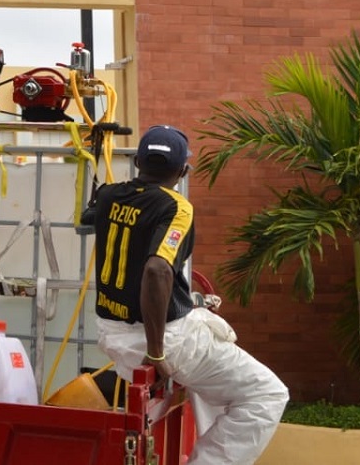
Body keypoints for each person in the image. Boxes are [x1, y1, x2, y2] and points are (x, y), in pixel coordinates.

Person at [84, 125, 288, 465]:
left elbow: (96, 218)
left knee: (211, 380)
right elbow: (156, 270)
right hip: (163, 339)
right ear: (183, 170)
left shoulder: (107, 196)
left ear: (138, 162)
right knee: (266, 393)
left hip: (112, 332)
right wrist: (157, 351)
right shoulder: (176, 207)